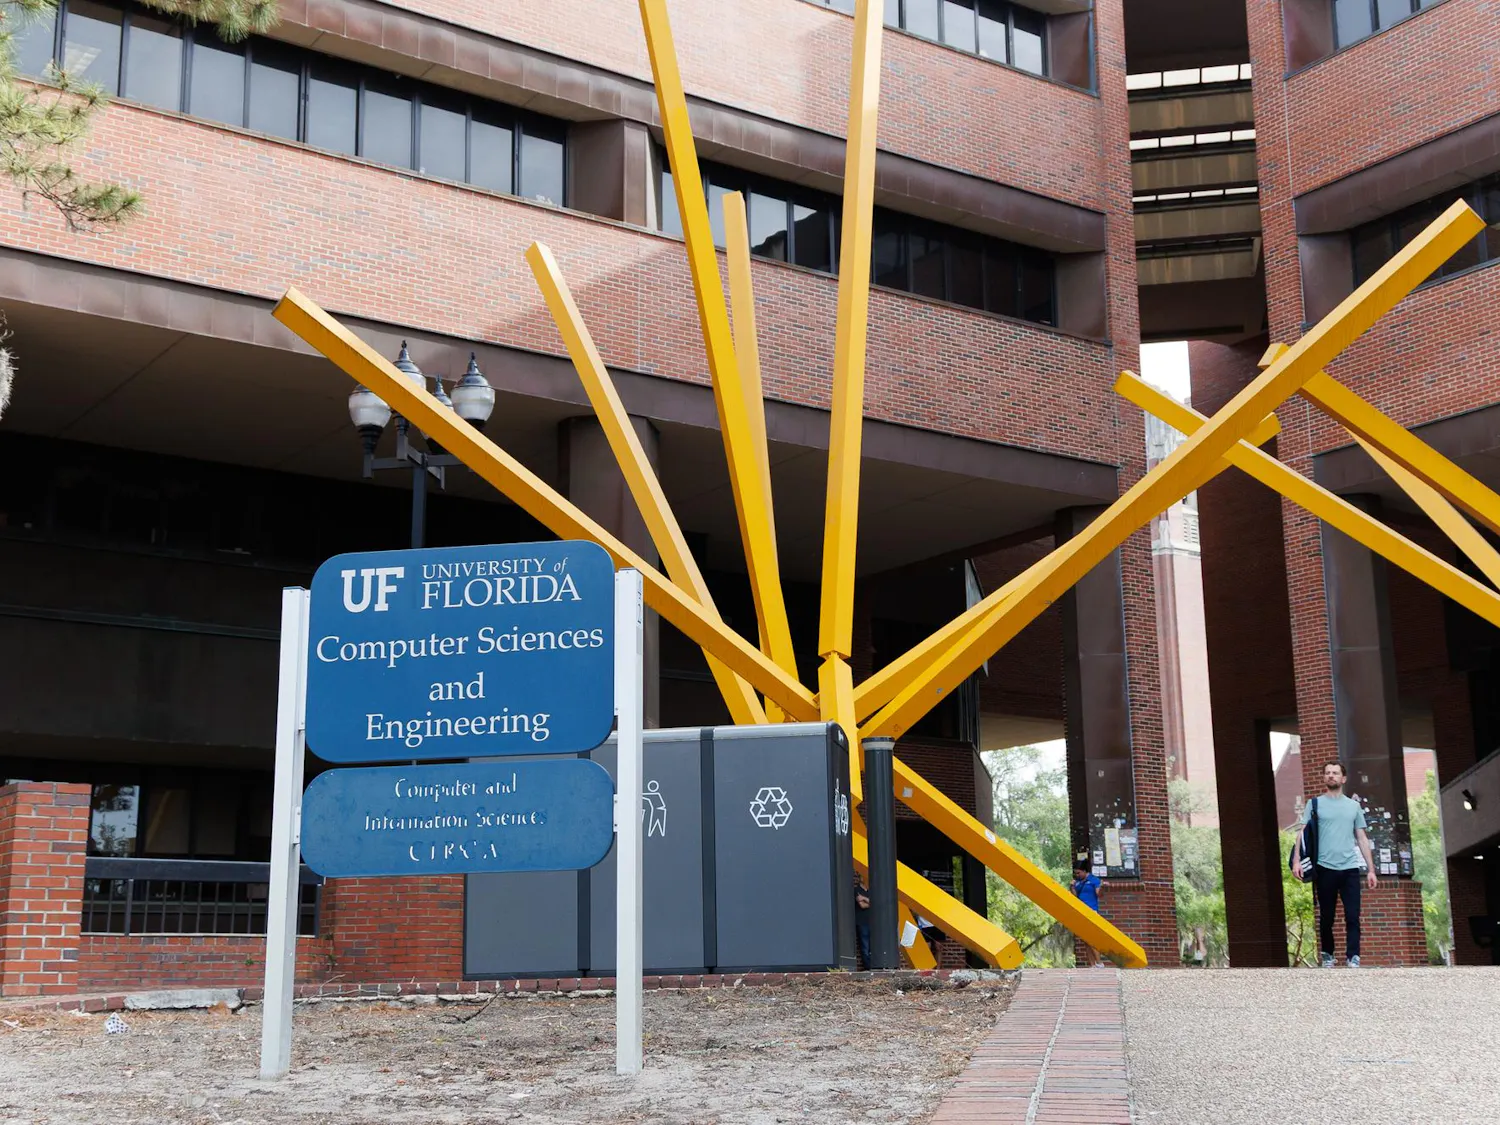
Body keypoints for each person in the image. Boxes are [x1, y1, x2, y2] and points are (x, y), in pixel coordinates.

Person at [1292, 760, 1378, 968]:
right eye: (1328, 773)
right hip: (1324, 868)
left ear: (1343, 778)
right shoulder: (1315, 804)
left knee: (1352, 915)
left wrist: (1371, 870)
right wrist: (1297, 860)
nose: (1331, 776)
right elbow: (1302, 834)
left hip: (1349, 868)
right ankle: (1328, 955)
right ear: (1324, 778)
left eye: (1335, 773)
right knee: (1327, 916)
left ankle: (1353, 956)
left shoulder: (1353, 807)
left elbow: (1362, 838)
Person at [854, 877, 871, 968]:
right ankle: (868, 967)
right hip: (862, 922)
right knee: (865, 946)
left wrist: (864, 898)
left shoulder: (869, 891)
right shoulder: (857, 890)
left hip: (872, 922)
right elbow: (862, 905)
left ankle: (873, 965)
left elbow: (875, 903)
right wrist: (868, 901)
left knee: (872, 946)